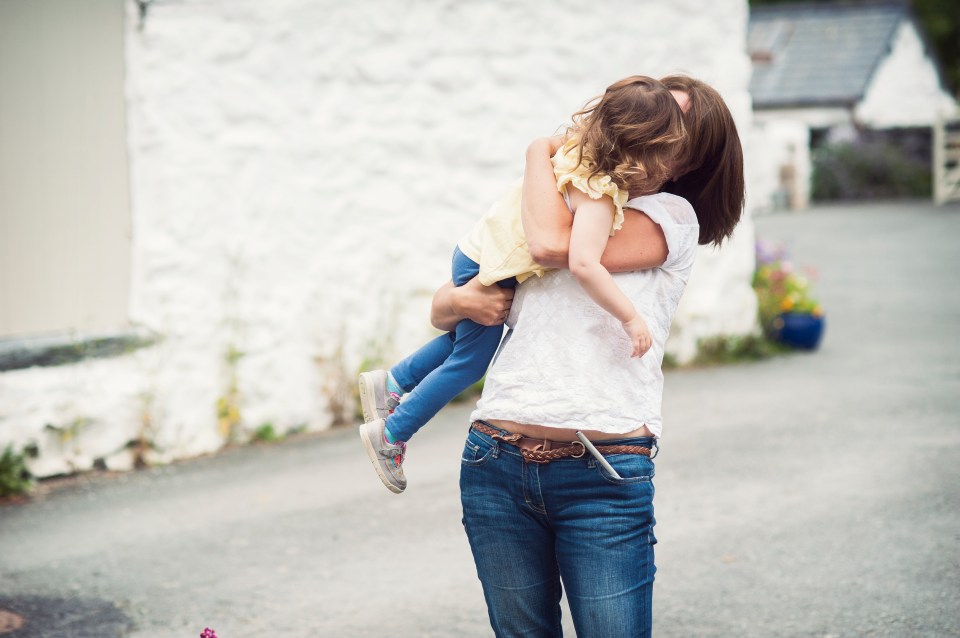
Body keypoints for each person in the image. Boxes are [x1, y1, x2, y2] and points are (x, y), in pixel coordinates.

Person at [432, 74, 745, 637]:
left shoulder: (671, 219)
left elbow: (553, 246)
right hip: (494, 460)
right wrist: (455, 298)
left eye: (678, 124)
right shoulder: (573, 190)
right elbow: (450, 306)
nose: (657, 128)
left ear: (691, 159)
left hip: (601, 472)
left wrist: (537, 151)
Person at [357, 76, 687, 494]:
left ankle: (393, 382)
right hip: (492, 263)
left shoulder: (575, 153)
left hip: (478, 251)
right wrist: (631, 316)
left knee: (471, 340)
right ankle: (392, 434)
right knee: (472, 361)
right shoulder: (599, 192)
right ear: (650, 149)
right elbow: (584, 264)